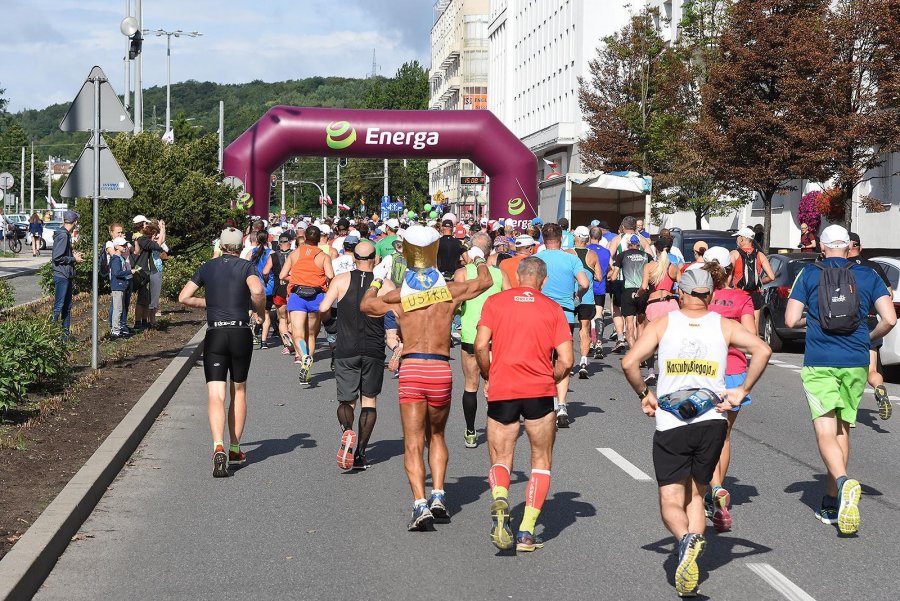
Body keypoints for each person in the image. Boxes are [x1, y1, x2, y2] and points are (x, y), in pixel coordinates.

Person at [622, 268, 771, 597]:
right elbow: (763, 350)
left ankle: (684, 540)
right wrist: (741, 390)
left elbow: (629, 362)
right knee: (696, 496)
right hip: (712, 420)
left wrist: (644, 395)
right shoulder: (724, 324)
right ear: (710, 295)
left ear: (681, 293)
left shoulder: (664, 323)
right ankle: (692, 564)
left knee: (670, 498)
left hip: (672, 421)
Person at [360, 225, 493, 531]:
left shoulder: (400, 296)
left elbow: (366, 306)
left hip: (412, 368)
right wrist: (476, 257)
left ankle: (420, 503)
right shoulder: (448, 292)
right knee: (437, 436)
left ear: (406, 253)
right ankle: (439, 495)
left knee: (413, 441)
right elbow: (484, 281)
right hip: (439, 368)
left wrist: (377, 277)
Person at [785, 225, 896, 534]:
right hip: (857, 361)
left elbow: (790, 319)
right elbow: (889, 319)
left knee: (824, 427)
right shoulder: (869, 275)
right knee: (843, 427)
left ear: (822, 247)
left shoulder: (808, 274)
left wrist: (814, 318)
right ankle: (833, 499)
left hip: (820, 361)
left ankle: (844, 482)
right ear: (849, 247)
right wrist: (867, 338)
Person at [475, 256, 574, 552]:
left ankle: (501, 497)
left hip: (503, 387)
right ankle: (527, 532)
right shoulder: (553, 308)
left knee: (501, 457)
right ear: (544, 281)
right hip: (539, 393)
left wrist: (488, 374)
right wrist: (549, 375)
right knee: (541, 460)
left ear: (517, 276)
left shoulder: (495, 303)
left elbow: (480, 345)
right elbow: (567, 360)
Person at [178, 227, 266, 478]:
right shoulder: (247, 267)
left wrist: (211, 302)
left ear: (221, 245)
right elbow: (257, 291)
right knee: (238, 390)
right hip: (239, 333)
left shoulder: (207, 267)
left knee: (215, 394)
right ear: (240, 246)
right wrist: (259, 312)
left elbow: (184, 297)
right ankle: (235, 448)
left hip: (215, 333)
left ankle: (218, 445)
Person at [319, 240, 388, 471]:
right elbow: (398, 312)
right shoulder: (384, 284)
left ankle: (347, 430)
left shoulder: (341, 280)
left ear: (353, 259)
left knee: (347, 400)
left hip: (346, 347)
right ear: (375, 259)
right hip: (374, 348)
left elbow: (322, 308)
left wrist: (331, 325)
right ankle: (360, 454)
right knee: (369, 400)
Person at [701, 246, 756, 532]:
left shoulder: (698, 297)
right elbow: (752, 337)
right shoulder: (740, 298)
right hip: (734, 372)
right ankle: (717, 492)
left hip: (704, 372)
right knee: (723, 435)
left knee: (704, 434)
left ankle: (714, 488)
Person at [454, 232, 510, 448]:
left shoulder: (461, 274)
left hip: (470, 335)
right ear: (489, 253)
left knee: (471, 385)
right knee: (495, 385)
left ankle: (470, 432)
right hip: (496, 337)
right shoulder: (499, 274)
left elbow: (456, 304)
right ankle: (496, 428)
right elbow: (510, 301)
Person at [535, 223, 589, 428]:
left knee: (542, 359)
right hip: (564, 315)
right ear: (561, 239)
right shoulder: (572, 259)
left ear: (542, 239)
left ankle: (545, 400)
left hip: (541, 314)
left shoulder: (536, 260)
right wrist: (577, 297)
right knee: (563, 360)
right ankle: (563, 405)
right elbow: (585, 283)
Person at [280, 225, 334, 385]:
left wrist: (297, 278)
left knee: (297, 333)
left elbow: (283, 275)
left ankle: (304, 356)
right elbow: (330, 275)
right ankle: (308, 368)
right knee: (311, 334)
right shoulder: (324, 256)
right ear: (319, 239)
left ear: (304, 238)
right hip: (316, 296)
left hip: (297, 296)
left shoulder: (294, 254)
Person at [847, 232, 893, 419]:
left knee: (846, 367)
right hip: (871, 320)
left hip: (848, 321)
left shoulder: (841, 267)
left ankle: (846, 409)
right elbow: (888, 294)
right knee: (872, 370)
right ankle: (879, 387)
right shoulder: (873, 268)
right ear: (860, 247)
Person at [572, 226, 603, 378]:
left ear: (575, 238)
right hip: (588, 297)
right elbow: (599, 277)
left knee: (567, 330)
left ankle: (568, 363)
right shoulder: (593, 255)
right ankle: (583, 360)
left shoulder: (568, 253)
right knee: (584, 329)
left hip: (571, 296)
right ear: (587, 239)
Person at [730, 226, 775, 330]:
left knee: (738, 326)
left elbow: (727, 275)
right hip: (755, 294)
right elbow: (771, 276)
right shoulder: (760, 255)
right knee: (754, 327)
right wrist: (758, 281)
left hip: (739, 293)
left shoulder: (734, 254)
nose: (736, 239)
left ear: (742, 238)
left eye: (737, 237)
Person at [611, 234, 650, 353]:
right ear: (639, 246)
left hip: (628, 291)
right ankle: (641, 350)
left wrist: (611, 280)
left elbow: (613, 277)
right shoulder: (646, 256)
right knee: (640, 323)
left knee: (629, 325)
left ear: (628, 245)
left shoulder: (622, 255)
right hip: (643, 291)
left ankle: (634, 353)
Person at [51, 210, 84, 337]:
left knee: (67, 306)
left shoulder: (64, 235)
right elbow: (57, 257)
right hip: (62, 275)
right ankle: (51, 335)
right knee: (59, 306)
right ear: (74, 223)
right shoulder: (63, 235)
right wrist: (74, 259)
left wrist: (72, 255)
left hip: (66, 274)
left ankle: (65, 337)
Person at [132, 220, 168, 331]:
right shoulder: (142, 240)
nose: (156, 237)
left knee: (146, 298)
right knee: (143, 299)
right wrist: (162, 229)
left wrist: (162, 229)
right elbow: (157, 245)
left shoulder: (143, 239)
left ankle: (144, 321)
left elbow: (160, 242)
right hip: (145, 272)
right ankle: (140, 322)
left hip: (148, 272)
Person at [587, 226, 611, 359]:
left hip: (588, 286)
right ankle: (599, 343)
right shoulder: (606, 252)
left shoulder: (586, 251)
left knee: (588, 317)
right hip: (600, 287)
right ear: (601, 238)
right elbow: (609, 267)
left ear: (590, 236)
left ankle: (591, 341)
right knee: (598, 314)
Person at [249, 230, 275, 348]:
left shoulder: (251, 253)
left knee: (255, 312)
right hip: (268, 287)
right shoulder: (272, 253)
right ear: (268, 238)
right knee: (266, 314)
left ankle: (254, 334)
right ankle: (264, 341)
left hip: (254, 286)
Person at [108, 237, 132, 340]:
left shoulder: (120, 258)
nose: (125, 247)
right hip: (117, 286)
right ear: (116, 247)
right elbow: (116, 273)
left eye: (126, 245)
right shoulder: (116, 259)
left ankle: (117, 329)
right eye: (123, 246)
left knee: (120, 308)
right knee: (117, 308)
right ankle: (115, 330)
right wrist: (130, 271)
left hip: (121, 285)